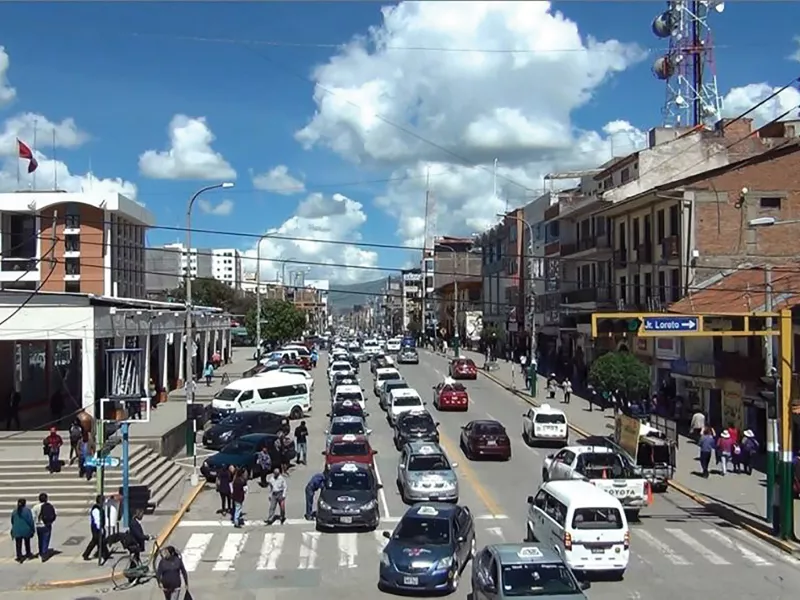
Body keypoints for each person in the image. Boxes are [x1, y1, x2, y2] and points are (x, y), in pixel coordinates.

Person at [82, 494, 110, 562]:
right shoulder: (96, 509)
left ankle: (104, 553)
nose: (103, 502)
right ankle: (86, 554)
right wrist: (101, 529)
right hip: (96, 528)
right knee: (97, 541)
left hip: (98, 528)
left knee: (98, 541)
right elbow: (97, 520)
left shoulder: (99, 508)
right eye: (103, 501)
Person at [31, 492, 56, 559]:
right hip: (46, 525)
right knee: (46, 539)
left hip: (38, 525)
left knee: (40, 539)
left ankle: (41, 552)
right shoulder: (49, 506)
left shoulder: (35, 507)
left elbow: (32, 517)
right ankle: (44, 553)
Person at [10, 498, 35, 563]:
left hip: (17, 530)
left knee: (18, 544)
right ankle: (28, 553)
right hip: (26, 529)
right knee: (27, 542)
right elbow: (30, 521)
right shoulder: (27, 511)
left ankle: (19, 556)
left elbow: (12, 521)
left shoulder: (14, 511)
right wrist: (33, 529)